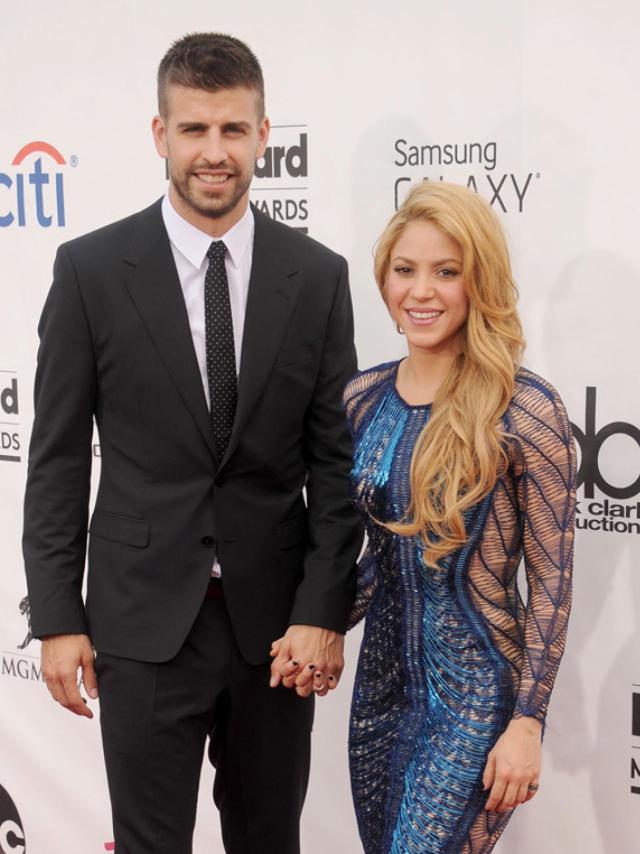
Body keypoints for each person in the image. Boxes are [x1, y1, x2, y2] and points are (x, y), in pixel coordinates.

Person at [23, 32, 362, 854]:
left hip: (275, 632)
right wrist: (59, 617)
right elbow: (58, 458)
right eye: (195, 130)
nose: (214, 152)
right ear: (160, 135)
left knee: (268, 840)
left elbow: (337, 466)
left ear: (263, 136)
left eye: (233, 130)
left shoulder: (316, 277)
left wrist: (322, 612)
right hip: (140, 627)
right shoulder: (91, 271)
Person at [344, 181, 575, 853]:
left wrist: (528, 722)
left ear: (479, 282)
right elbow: (380, 565)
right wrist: (312, 626)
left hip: (477, 700)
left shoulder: (522, 408)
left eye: (448, 272)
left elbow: (552, 583)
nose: (422, 291)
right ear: (384, 278)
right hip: (379, 694)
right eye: (405, 270)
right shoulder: (361, 398)